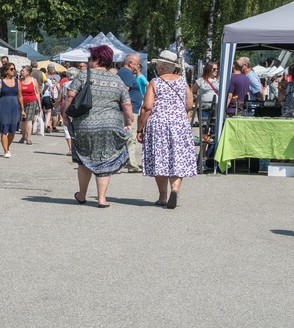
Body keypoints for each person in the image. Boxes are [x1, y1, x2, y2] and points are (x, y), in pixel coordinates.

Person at [63, 45, 133, 208]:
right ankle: (102, 198)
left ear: (96, 59)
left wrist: (66, 115)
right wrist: (128, 123)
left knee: (84, 160)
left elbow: (70, 95)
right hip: (110, 125)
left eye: (91, 58)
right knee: (105, 160)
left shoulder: (83, 75)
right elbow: (127, 105)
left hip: (85, 125)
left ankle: (82, 195)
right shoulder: (117, 80)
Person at [137, 51, 196, 208]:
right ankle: (175, 189)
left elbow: (147, 107)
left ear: (162, 66)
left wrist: (140, 127)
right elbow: (189, 104)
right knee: (177, 158)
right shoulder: (183, 82)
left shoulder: (155, 82)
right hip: (179, 125)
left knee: (160, 159)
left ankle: (163, 196)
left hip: (159, 126)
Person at [117, 53, 144, 172]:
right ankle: (131, 164)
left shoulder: (122, 72)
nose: (137, 67)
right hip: (129, 110)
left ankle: (129, 162)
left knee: (126, 137)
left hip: (128, 109)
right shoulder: (127, 73)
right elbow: (125, 92)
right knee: (130, 137)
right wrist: (129, 112)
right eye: (137, 64)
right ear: (130, 63)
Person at [0, 63, 21, 157]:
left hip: (15, 106)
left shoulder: (17, 81)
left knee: (12, 130)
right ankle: (5, 151)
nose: (14, 71)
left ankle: (7, 147)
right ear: (5, 71)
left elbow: (20, 96)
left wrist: (23, 108)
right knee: (4, 129)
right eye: (11, 69)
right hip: (4, 107)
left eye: (14, 69)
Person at [18, 65, 39, 145]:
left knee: (29, 120)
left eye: (23, 71)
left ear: (28, 72)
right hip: (21, 102)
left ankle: (28, 138)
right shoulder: (19, 81)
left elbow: (37, 93)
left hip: (31, 101)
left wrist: (39, 104)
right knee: (22, 121)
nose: (21, 72)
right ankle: (23, 136)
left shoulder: (33, 80)